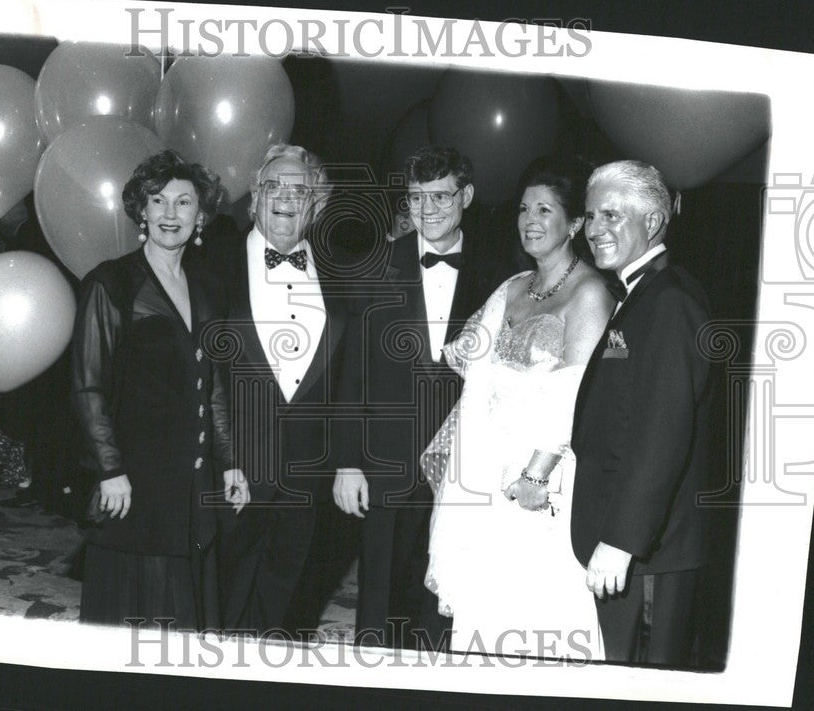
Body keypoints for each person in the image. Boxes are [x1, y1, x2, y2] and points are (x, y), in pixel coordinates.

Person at [422, 155, 615, 659]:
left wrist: (535, 476)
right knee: (485, 605)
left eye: (545, 210)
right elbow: (468, 360)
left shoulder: (591, 293)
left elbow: (576, 396)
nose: (530, 219)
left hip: (541, 471)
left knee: (537, 603)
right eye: (525, 208)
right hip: (488, 462)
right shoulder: (510, 288)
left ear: (574, 224)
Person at [336, 145, 508, 650]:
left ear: (467, 196)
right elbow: (352, 372)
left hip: (459, 464)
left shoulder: (499, 273)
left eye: (440, 197)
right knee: (377, 602)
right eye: (416, 198)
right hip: (382, 461)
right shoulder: (376, 264)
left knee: (443, 598)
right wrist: (347, 462)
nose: (427, 210)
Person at [71, 149, 248, 628]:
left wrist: (230, 463)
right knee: (137, 612)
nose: (171, 214)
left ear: (202, 214)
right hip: (134, 482)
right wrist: (110, 470)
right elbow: (88, 386)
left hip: (190, 482)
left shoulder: (208, 288)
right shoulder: (112, 284)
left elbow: (213, 387)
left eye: (184, 202)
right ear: (141, 211)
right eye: (158, 201)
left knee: (184, 614)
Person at [571, 160, 712, 666]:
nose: (595, 230)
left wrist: (621, 540)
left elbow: (663, 433)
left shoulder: (670, 301)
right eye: (589, 217)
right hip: (635, 539)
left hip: (650, 549)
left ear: (652, 222)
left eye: (611, 215)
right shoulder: (642, 294)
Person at [218, 143, 361, 635]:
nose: (285, 197)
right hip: (232, 471)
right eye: (273, 186)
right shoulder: (214, 264)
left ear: (314, 205)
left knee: (285, 611)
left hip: (308, 477)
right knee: (217, 603)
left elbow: (350, 381)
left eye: (298, 189)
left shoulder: (342, 274)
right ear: (254, 198)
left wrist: (347, 459)